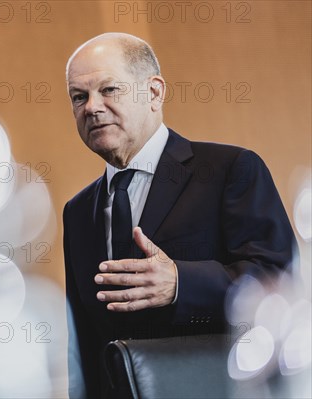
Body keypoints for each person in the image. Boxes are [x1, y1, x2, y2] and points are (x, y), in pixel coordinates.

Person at [63, 33, 296, 397]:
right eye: (79, 96)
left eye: (109, 90)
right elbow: (85, 343)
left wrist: (180, 284)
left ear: (154, 93)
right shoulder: (77, 212)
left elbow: (280, 285)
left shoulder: (229, 170)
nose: (92, 107)